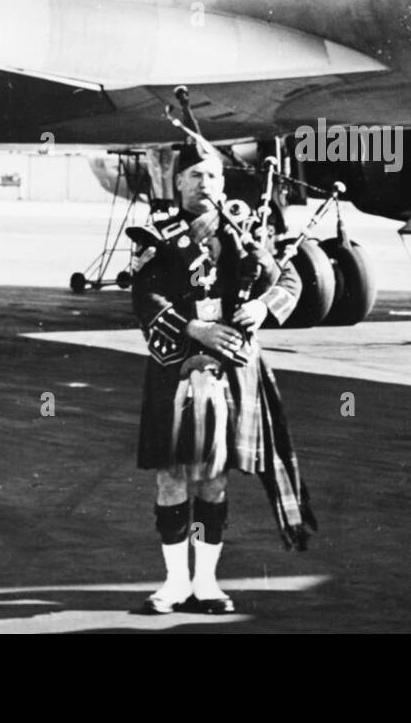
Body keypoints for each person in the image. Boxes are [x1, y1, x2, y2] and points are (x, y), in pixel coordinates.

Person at [130, 131, 312, 615]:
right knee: (171, 480)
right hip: (176, 372)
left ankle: (206, 583)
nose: (205, 183)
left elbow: (286, 278)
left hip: (230, 372)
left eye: (212, 174)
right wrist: (194, 327)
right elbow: (145, 299)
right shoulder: (159, 233)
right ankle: (174, 583)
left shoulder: (243, 230)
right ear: (180, 182)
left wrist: (263, 307)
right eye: (195, 175)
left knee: (213, 482)